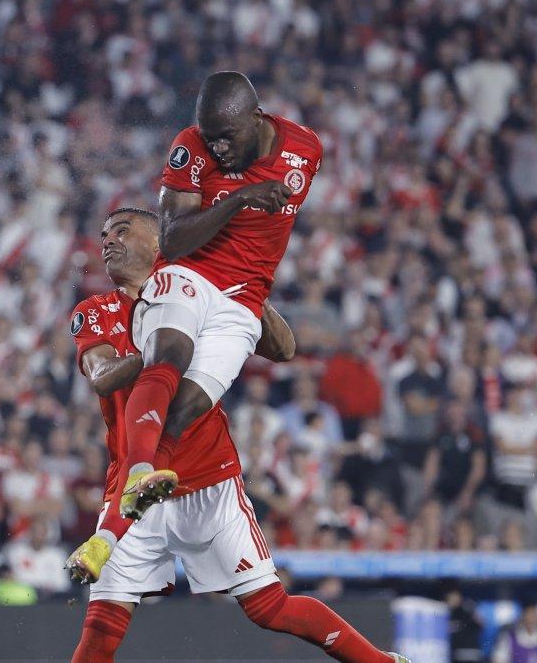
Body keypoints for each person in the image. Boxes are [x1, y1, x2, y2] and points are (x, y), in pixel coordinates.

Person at [64, 208, 405, 663]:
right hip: (133, 484)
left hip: (209, 479)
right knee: (102, 629)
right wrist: (162, 346)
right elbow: (102, 376)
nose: (108, 240)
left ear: (159, 240)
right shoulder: (95, 311)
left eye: (123, 230)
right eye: (104, 234)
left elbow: (284, 349)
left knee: (270, 608)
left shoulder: (199, 287)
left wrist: (240, 283)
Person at [94, 71, 325, 561]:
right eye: (210, 135)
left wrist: (253, 294)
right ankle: (128, 493)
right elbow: (173, 238)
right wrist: (240, 196)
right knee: (168, 357)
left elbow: (263, 245)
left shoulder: (305, 150)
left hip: (243, 297)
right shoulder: (190, 148)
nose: (217, 147)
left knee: (190, 405)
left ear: (257, 119)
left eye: (228, 136)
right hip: (192, 274)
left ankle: (136, 501)